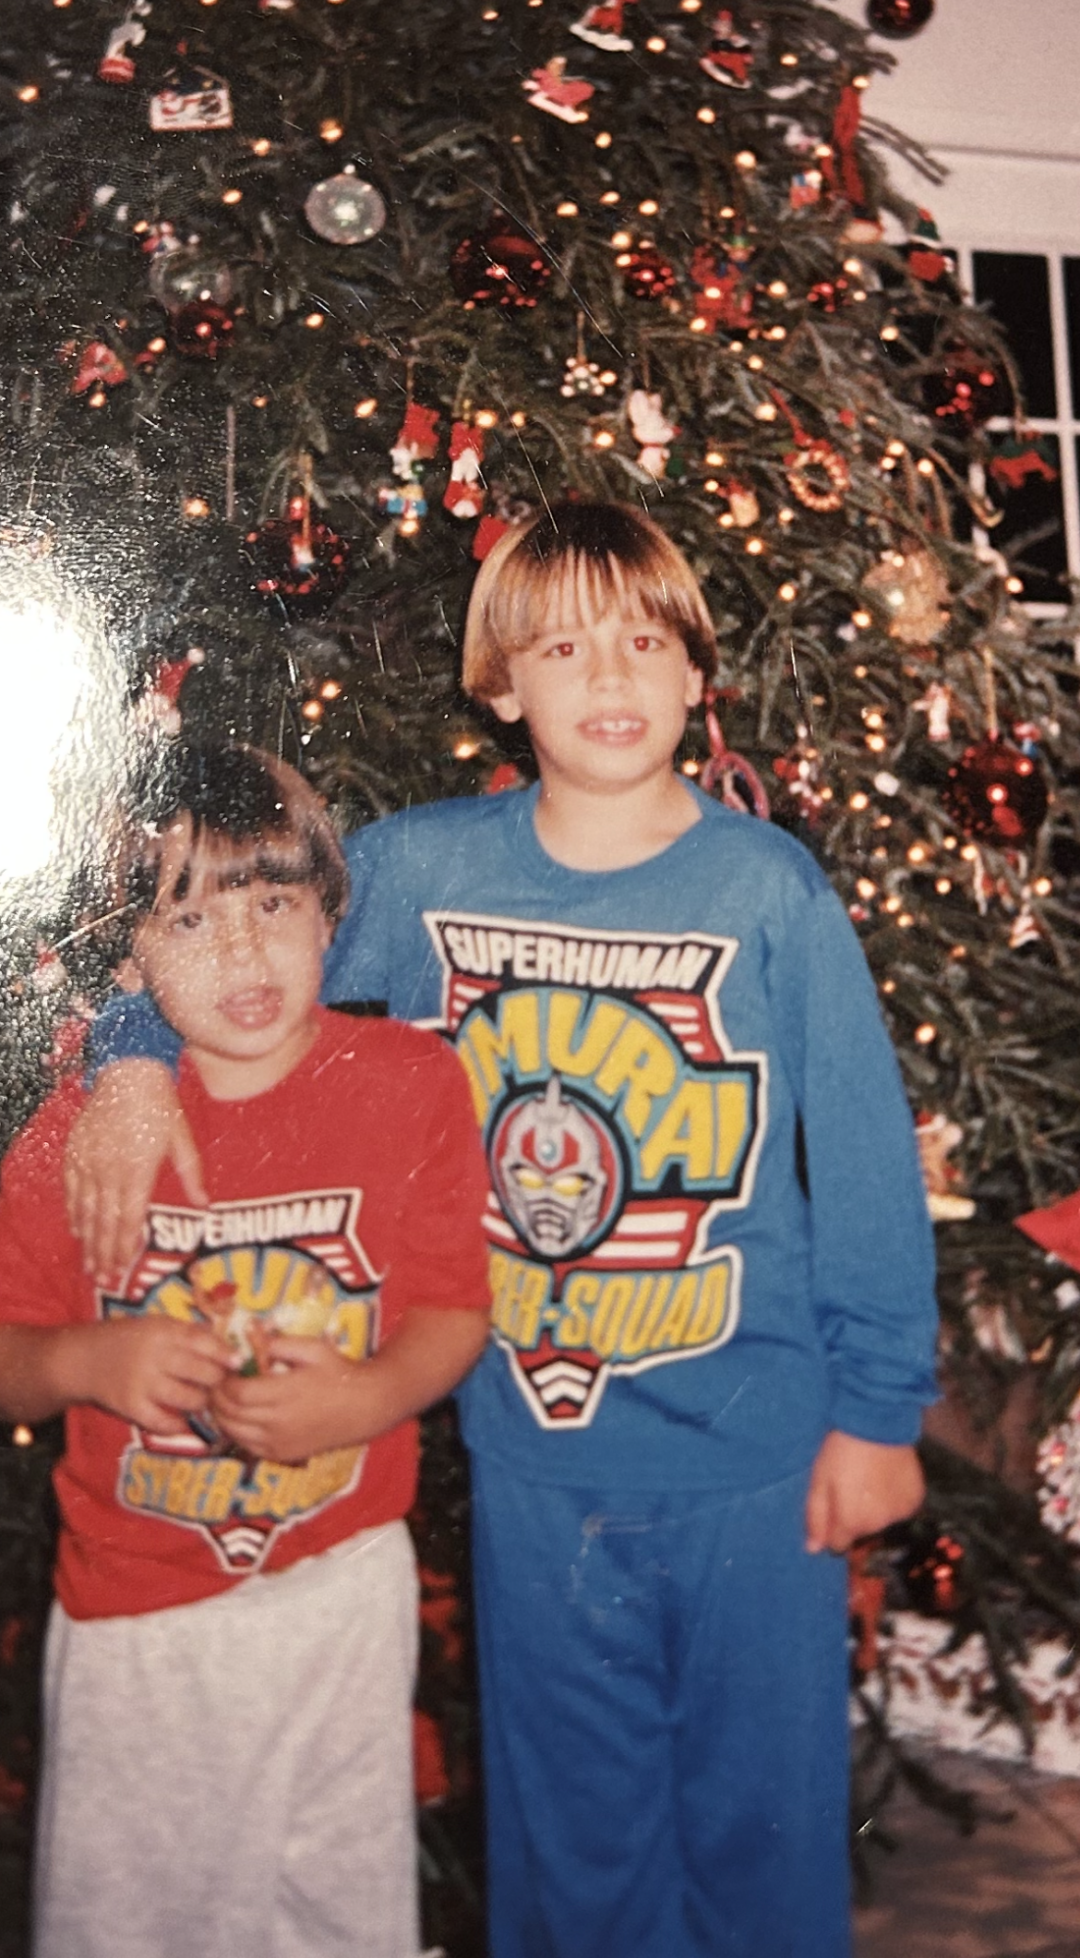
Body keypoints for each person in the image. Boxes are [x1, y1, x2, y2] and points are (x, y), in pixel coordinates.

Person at [67, 503, 938, 1958]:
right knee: (573, 1843)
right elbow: (239, 951)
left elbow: (857, 1161)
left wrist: (880, 1410)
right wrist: (123, 1055)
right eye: (563, 645)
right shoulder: (422, 869)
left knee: (761, 1836)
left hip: (756, 1449)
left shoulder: (764, 888)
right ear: (502, 682)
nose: (611, 676)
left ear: (695, 672)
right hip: (536, 1460)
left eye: (646, 640)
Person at [0, 742, 490, 1958]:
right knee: (133, 1922)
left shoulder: (413, 1083)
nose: (242, 952)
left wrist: (369, 1396)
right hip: (139, 1618)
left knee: (338, 1910)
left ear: (331, 910)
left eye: (273, 904)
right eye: (190, 917)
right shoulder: (83, 1132)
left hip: (343, 1591)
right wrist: (86, 1364)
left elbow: (452, 1308)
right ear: (129, 959)